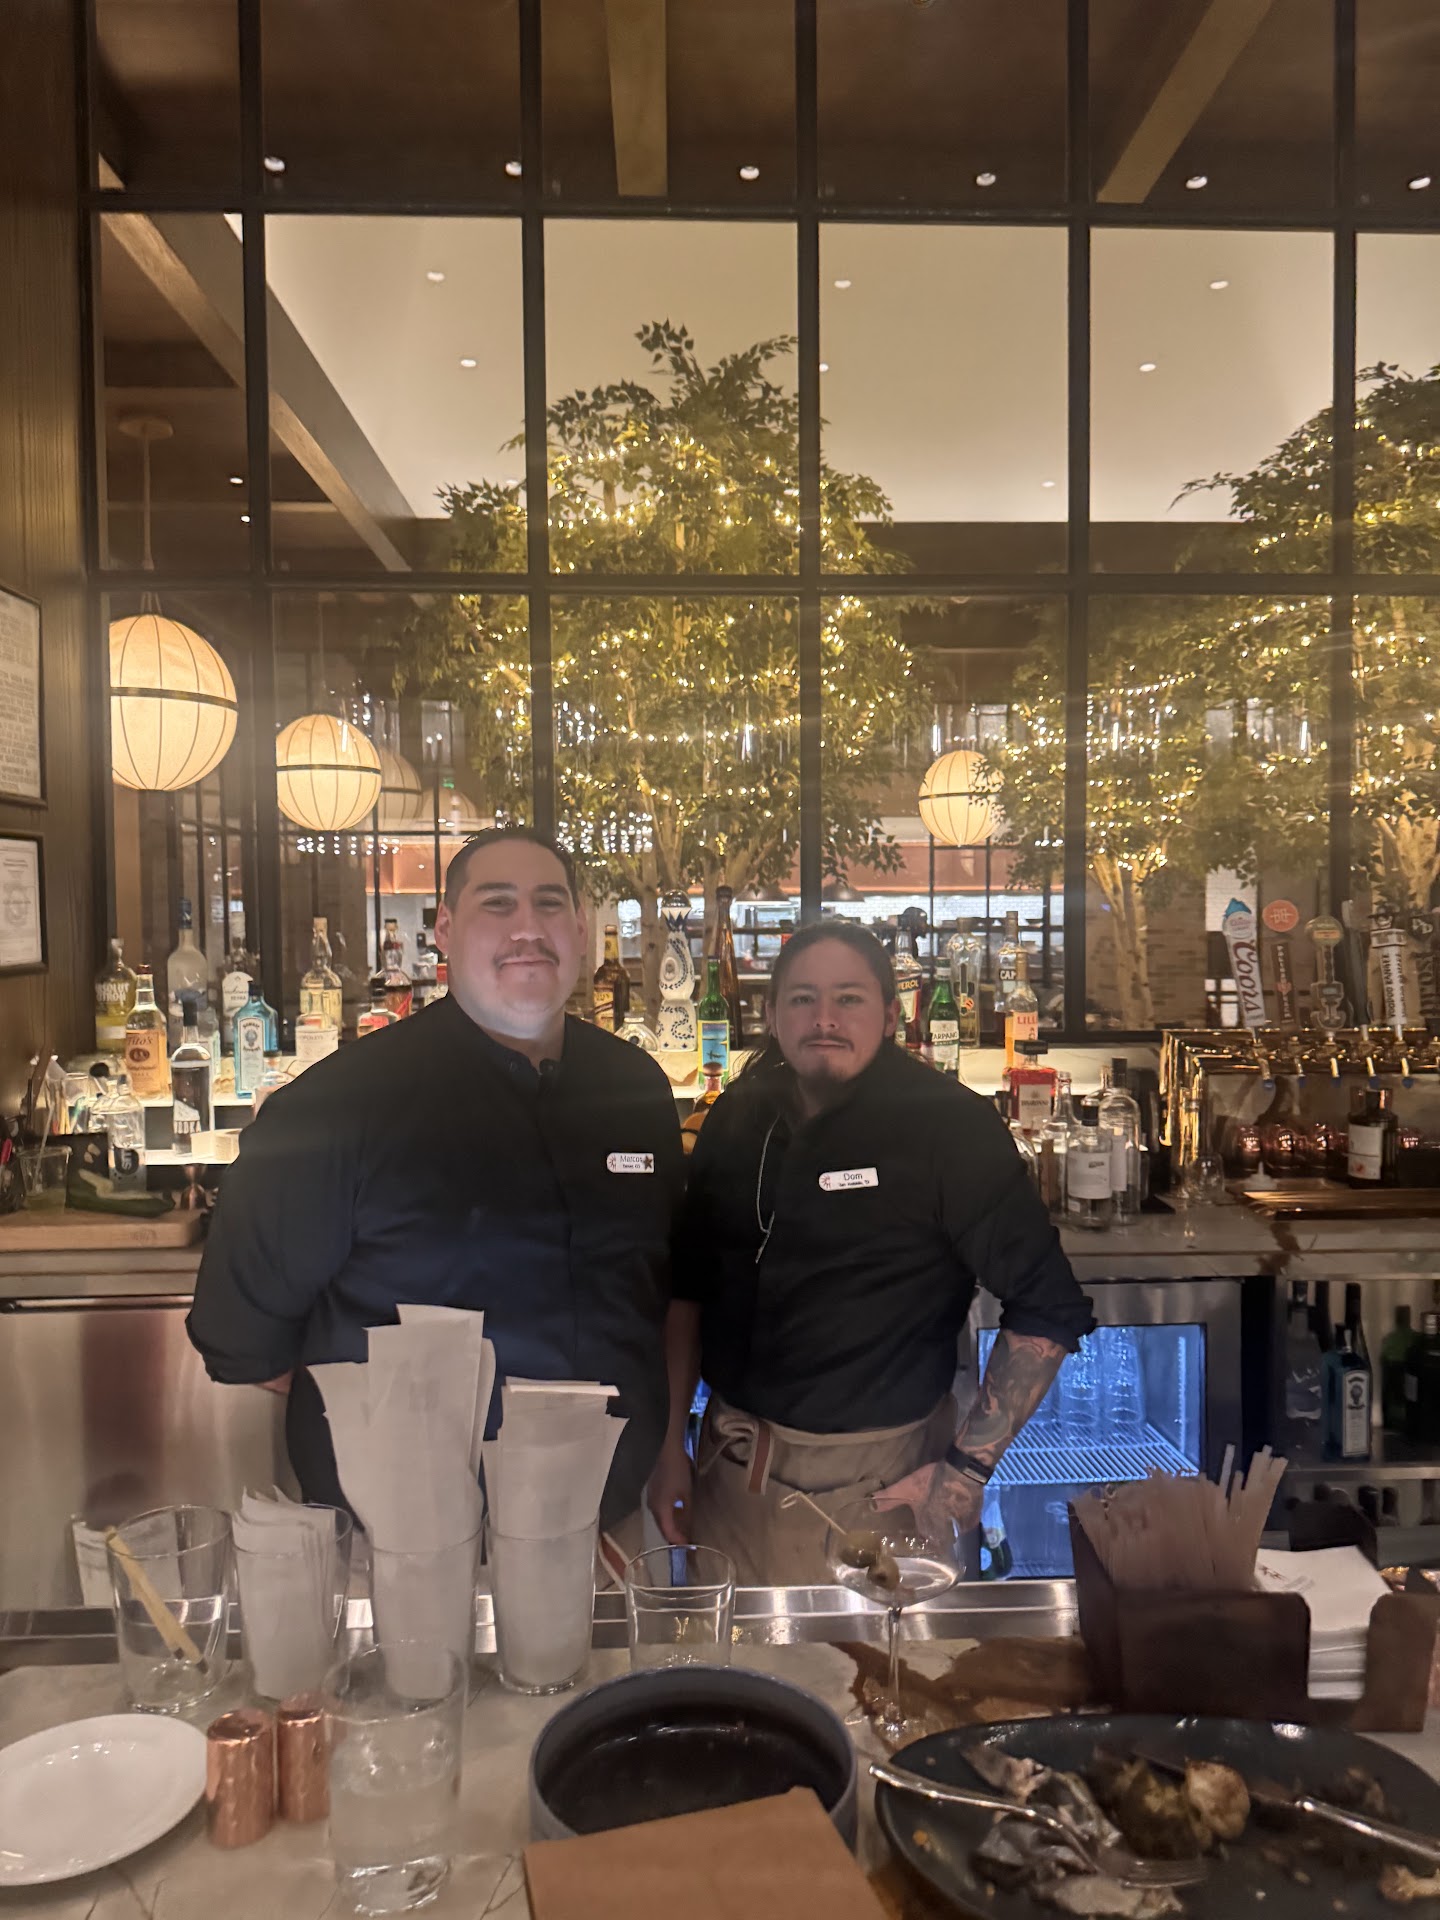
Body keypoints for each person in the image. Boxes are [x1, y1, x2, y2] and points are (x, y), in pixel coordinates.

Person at [188, 827, 683, 1532]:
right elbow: (241, 1337)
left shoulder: (637, 1089)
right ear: (444, 929)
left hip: (605, 1526)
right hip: (402, 1547)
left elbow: (658, 1291)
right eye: (497, 903)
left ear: (580, 930)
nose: (527, 927)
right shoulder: (338, 1105)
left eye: (549, 903)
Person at [647, 920, 1093, 1582]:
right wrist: (668, 1451)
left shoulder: (949, 1127)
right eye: (802, 998)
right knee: (736, 1652)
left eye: (848, 998)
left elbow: (1048, 1306)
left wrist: (964, 1474)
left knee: (883, 1655)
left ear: (891, 1015)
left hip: (884, 1489)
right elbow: (688, 1290)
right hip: (729, 1476)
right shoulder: (737, 1116)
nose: (824, 1018)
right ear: (770, 1014)